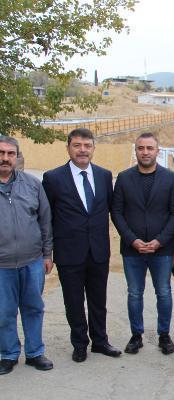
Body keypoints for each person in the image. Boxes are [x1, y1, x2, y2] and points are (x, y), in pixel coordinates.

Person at [42, 128, 121, 363]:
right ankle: (79, 344)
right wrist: (47, 252)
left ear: (93, 148)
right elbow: (46, 218)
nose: (82, 150)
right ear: (68, 148)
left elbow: (110, 209)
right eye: (77, 145)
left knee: (98, 301)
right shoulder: (53, 178)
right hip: (69, 253)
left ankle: (100, 341)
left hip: (98, 251)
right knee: (74, 302)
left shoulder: (104, 176)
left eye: (87, 145)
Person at [111, 132, 174, 355]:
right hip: (132, 250)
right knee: (134, 293)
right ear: (136, 151)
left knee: (163, 292)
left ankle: (164, 335)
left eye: (149, 148)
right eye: (141, 148)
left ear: (157, 151)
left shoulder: (170, 178)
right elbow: (117, 212)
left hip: (162, 250)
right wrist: (132, 240)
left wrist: (160, 241)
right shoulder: (124, 178)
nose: (145, 152)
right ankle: (136, 336)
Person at [0, 135, 53, 375]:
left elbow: (45, 221)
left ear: (17, 157)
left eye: (10, 154)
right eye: (1, 153)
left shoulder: (32, 185)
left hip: (32, 262)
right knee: (4, 312)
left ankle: (34, 353)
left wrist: (47, 254)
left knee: (33, 308)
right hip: (2, 266)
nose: (5, 158)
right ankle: (9, 354)